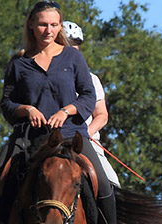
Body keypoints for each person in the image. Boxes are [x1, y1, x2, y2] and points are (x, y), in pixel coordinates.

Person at [0, 1, 137, 224]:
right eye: (43, 24)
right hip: (28, 139)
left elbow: (89, 97)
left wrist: (67, 111)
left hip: (70, 136)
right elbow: (6, 103)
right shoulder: (19, 63)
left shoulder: (73, 58)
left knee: (101, 181)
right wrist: (26, 109)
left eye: (54, 25)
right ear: (31, 25)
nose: (48, 30)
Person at [62, 20, 121, 189]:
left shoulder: (91, 79)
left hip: (85, 142)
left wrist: (85, 134)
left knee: (111, 184)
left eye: (75, 45)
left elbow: (101, 115)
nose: (72, 48)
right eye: (67, 44)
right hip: (51, 140)